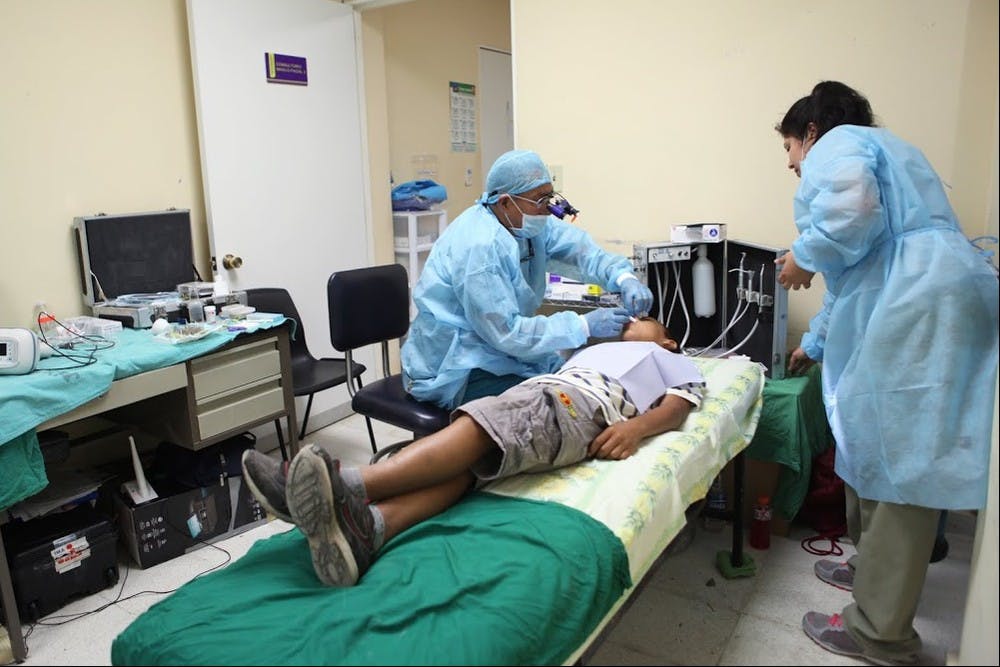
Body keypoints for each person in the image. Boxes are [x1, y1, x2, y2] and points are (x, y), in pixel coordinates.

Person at [773, 80, 999, 665]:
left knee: (901, 464)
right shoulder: (893, 151)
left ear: (812, 131)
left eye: (792, 150)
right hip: (926, 298)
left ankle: (880, 631)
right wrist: (817, 341)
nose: (795, 166)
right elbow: (858, 271)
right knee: (875, 449)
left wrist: (803, 257)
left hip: (919, 305)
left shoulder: (841, 141)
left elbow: (849, 215)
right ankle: (871, 573)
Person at [242, 317, 704, 587]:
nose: (627, 323)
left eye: (640, 322)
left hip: (575, 407)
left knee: (481, 426)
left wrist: (637, 429)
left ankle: (344, 485)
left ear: (667, 340)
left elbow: (680, 405)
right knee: (470, 467)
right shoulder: (598, 352)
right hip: (553, 396)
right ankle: (369, 533)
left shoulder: (670, 357)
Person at [400, 149, 654, 410]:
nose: (550, 208)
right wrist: (583, 326)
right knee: (560, 405)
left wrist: (624, 278)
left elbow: (583, 251)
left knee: (575, 386)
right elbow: (506, 332)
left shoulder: (528, 223)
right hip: (456, 368)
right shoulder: (480, 248)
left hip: (498, 351)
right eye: (540, 199)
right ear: (506, 202)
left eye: (550, 196)